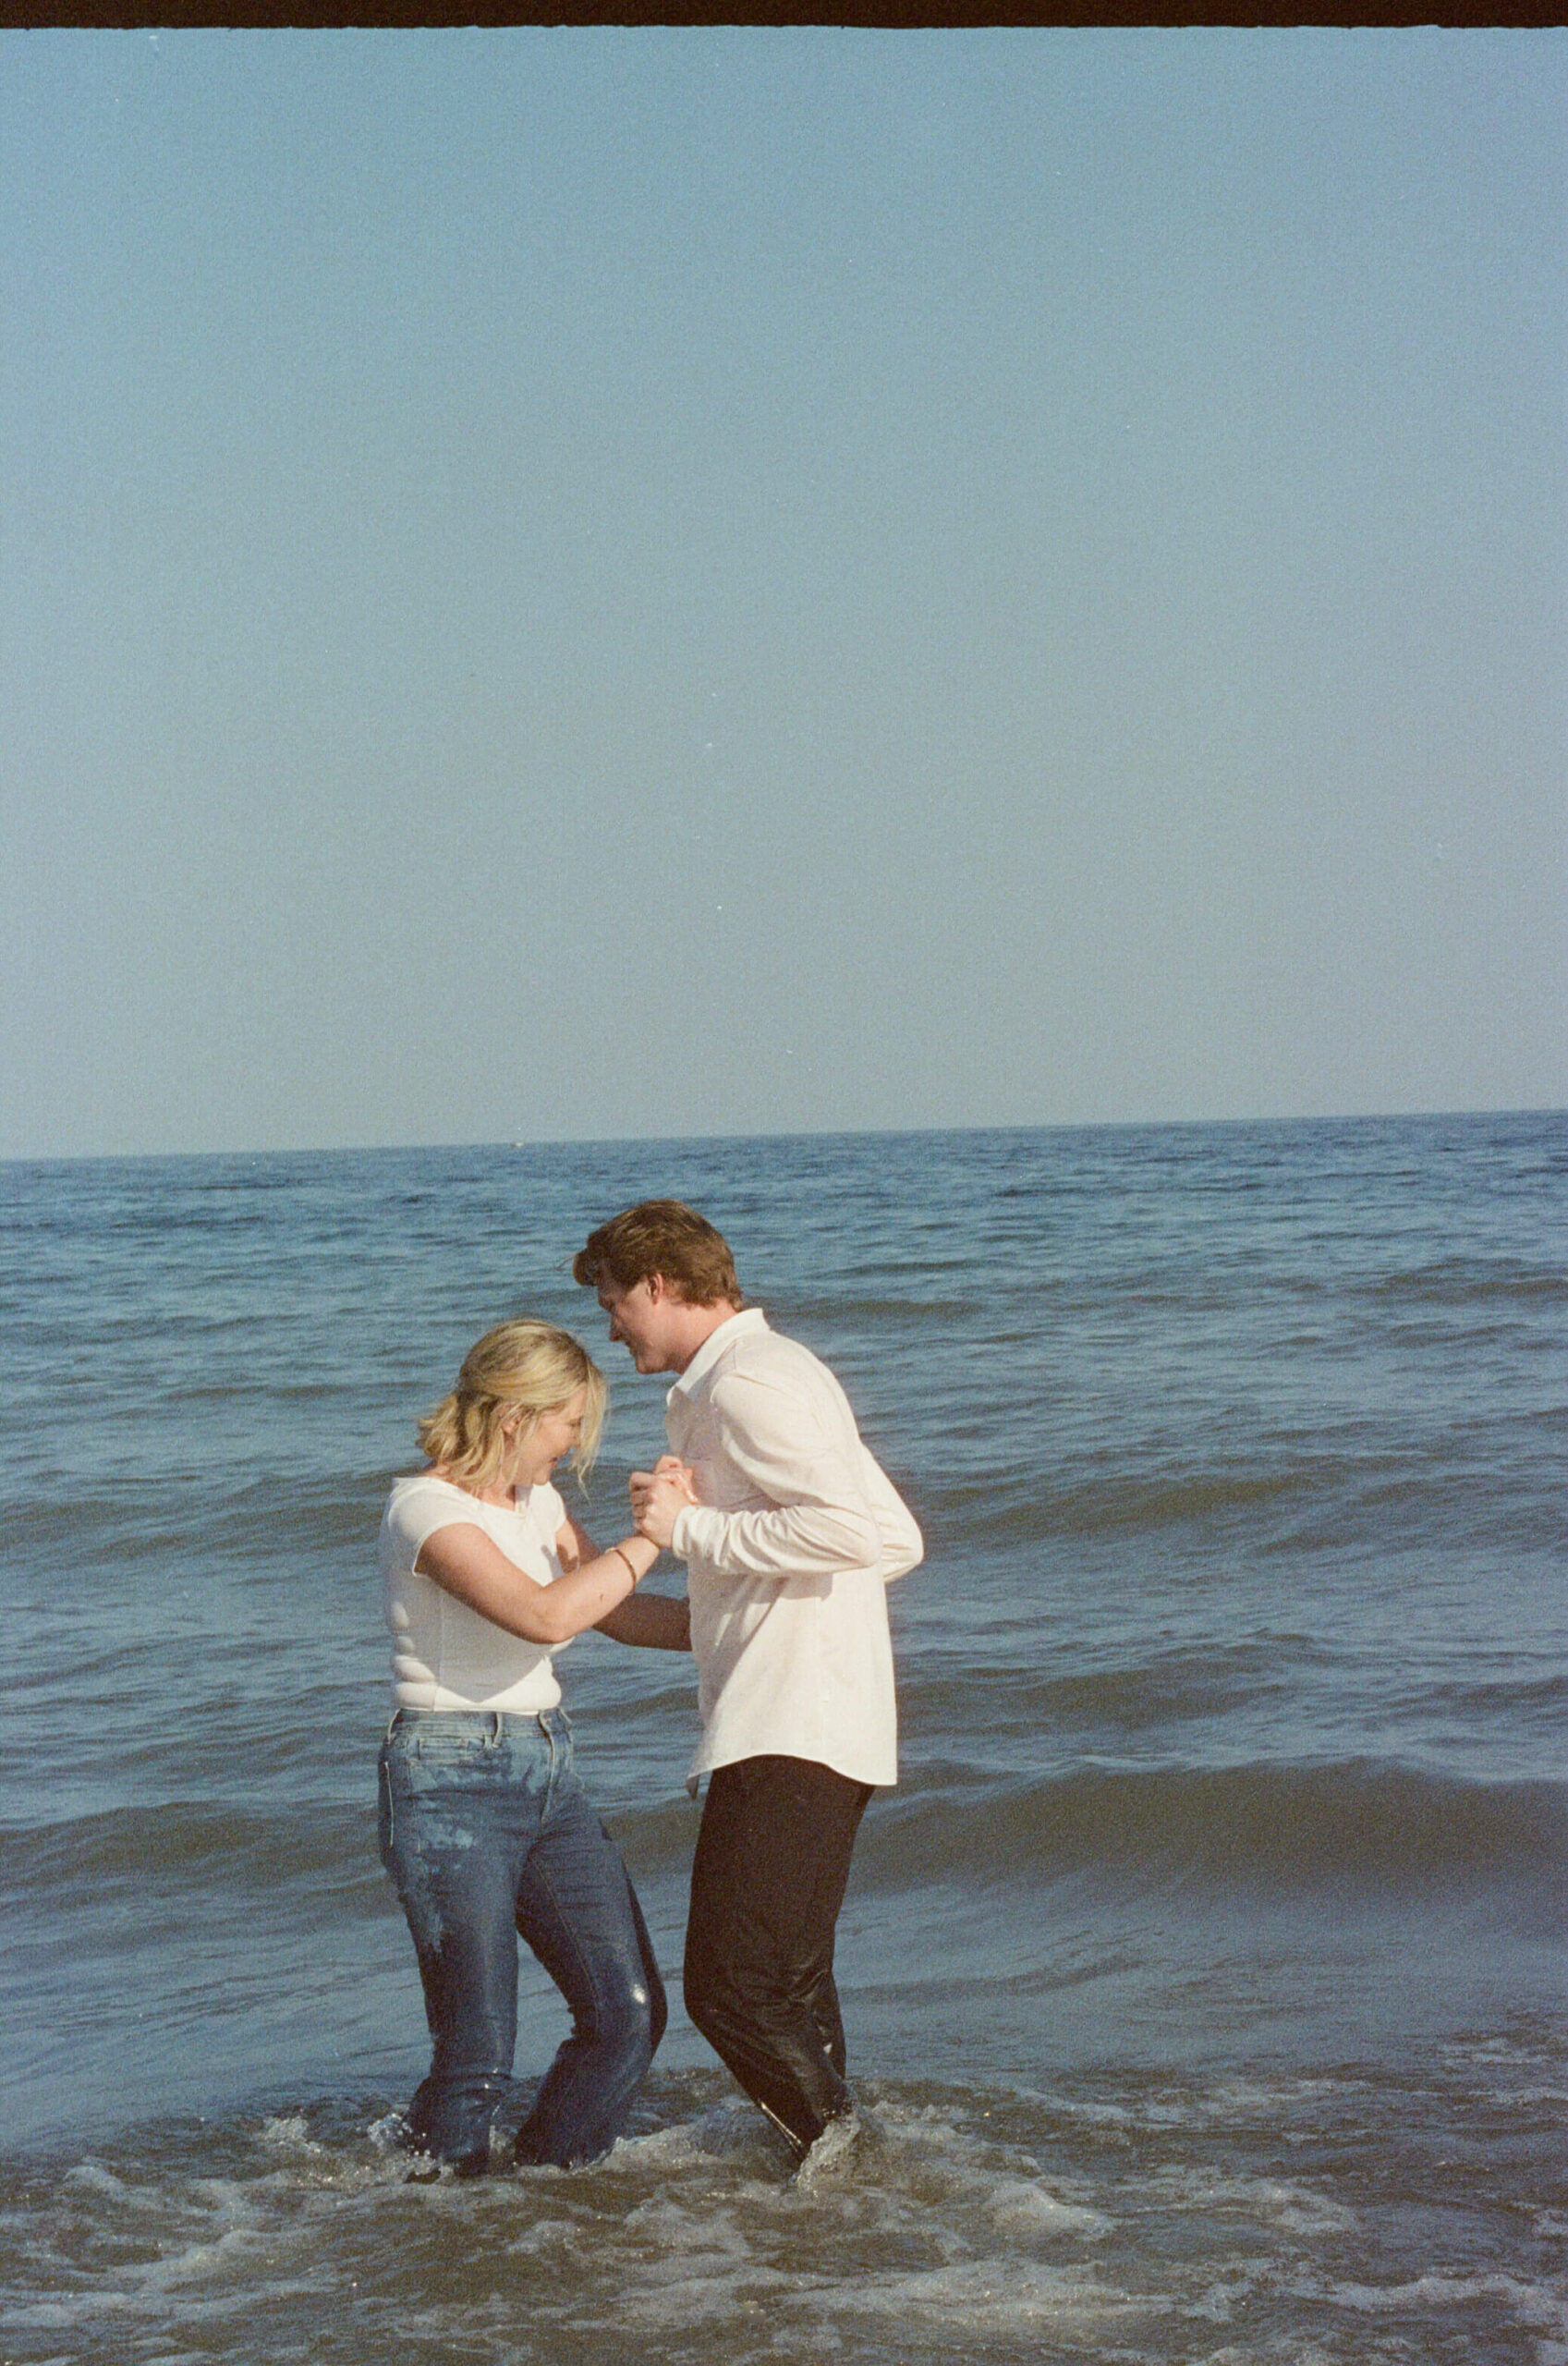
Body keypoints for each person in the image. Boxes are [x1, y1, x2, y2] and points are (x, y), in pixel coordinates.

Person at [573, 1201, 922, 2167]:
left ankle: (846, 2167)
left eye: (612, 1302)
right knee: (789, 1984)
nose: (609, 1326)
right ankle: (831, 2180)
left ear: (658, 1284)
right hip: (809, 1713)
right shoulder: (745, 1378)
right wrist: (748, 1604)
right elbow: (890, 1536)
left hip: (793, 1722)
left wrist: (692, 1535)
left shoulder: (751, 1383)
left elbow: (856, 1536)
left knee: (730, 1988)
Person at [377, 1317, 689, 2177]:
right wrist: (652, 1537)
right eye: (566, 1428)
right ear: (515, 1417)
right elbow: (545, 1614)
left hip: (548, 1775)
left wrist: (743, 1631)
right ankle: (432, 2222)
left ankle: (536, 2198)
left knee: (627, 2015)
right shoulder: (424, 1512)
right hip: (447, 1779)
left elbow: (615, 1611)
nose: (573, 1449)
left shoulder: (539, 1505)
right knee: (477, 2051)